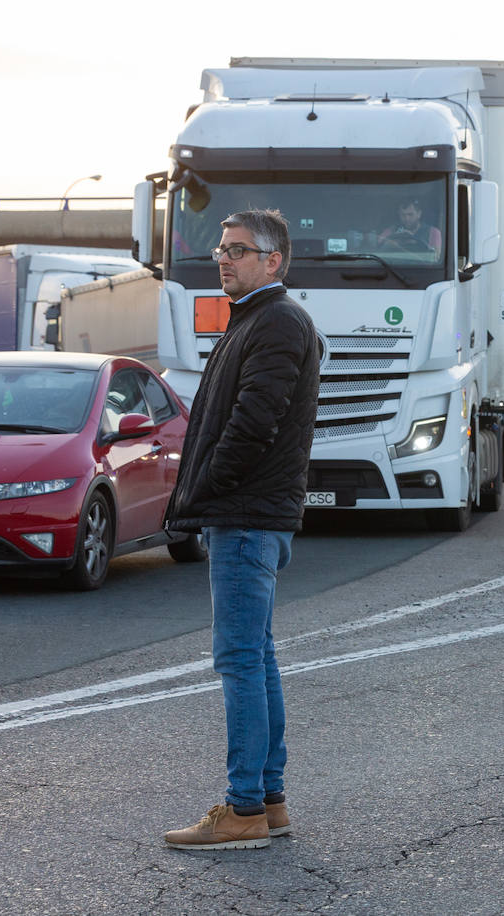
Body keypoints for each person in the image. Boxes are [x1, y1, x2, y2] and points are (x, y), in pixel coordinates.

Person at [161, 209, 320, 850]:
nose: (223, 259)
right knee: (257, 657)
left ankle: (244, 805)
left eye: (237, 250)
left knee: (239, 662)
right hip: (249, 514)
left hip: (247, 516)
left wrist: (202, 490)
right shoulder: (257, 320)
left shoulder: (277, 322)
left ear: (273, 261)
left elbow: (254, 424)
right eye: (220, 250)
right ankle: (270, 800)